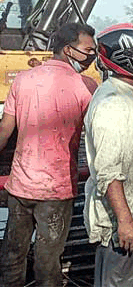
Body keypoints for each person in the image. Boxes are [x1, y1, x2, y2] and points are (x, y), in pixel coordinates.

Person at [0, 23, 98, 287]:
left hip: (20, 187)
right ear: (69, 50)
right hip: (57, 191)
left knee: (12, 256)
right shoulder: (85, 86)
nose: (93, 55)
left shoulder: (23, 79)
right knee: (47, 262)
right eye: (89, 50)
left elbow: (5, 130)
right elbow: (97, 135)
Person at [83, 23, 133, 287]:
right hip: (120, 221)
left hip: (131, 214)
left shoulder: (125, 95)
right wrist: (126, 221)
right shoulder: (112, 103)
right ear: (127, 58)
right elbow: (108, 169)